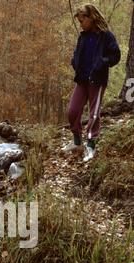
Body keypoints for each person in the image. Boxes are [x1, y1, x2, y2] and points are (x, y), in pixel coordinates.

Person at [62, 3, 121, 162]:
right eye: (79, 21)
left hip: (97, 80)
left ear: (91, 18)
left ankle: (91, 145)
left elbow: (116, 55)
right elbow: (77, 54)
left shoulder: (106, 36)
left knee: (94, 114)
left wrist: (103, 61)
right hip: (82, 79)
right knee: (72, 111)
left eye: (82, 21)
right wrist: (74, 61)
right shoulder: (83, 36)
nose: (81, 24)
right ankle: (76, 142)